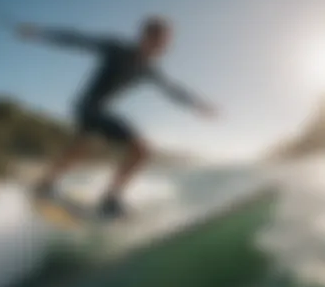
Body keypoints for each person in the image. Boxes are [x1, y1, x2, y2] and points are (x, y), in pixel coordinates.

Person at [16, 16, 218, 218]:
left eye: (165, 42)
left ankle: (45, 185)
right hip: (88, 106)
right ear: (145, 37)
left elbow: (172, 90)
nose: (163, 46)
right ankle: (109, 200)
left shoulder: (148, 69)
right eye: (160, 40)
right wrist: (38, 33)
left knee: (82, 148)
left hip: (97, 110)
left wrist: (196, 104)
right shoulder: (118, 49)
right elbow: (78, 39)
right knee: (141, 150)